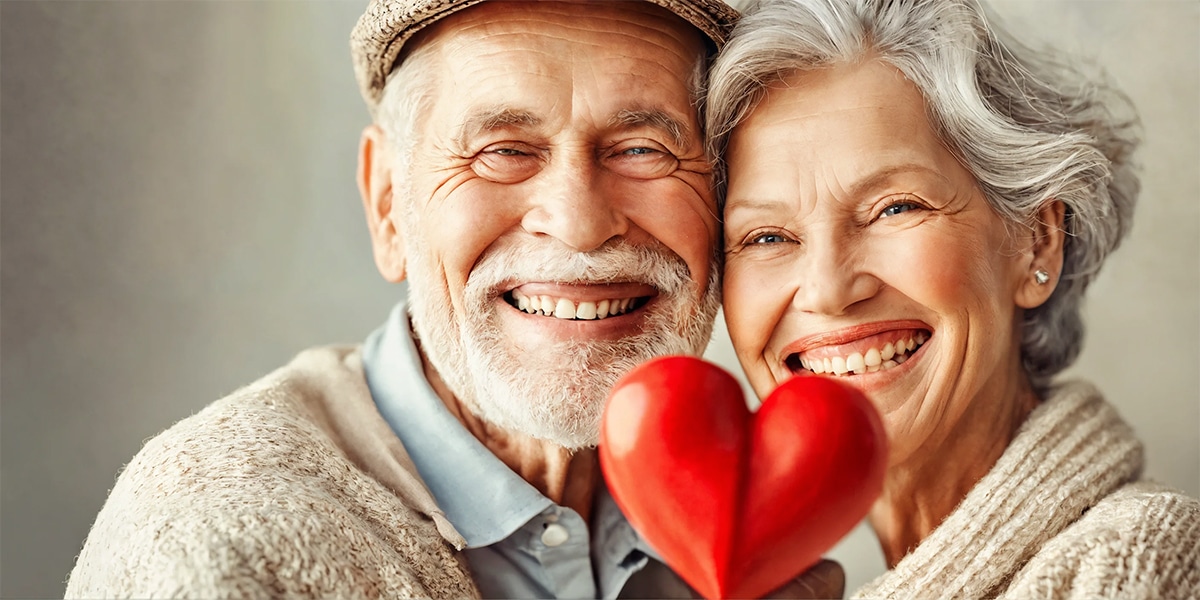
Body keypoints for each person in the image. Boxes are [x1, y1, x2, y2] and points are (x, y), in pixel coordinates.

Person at [64, 1, 842, 598]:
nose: (578, 223)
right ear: (388, 205)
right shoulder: (216, 546)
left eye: (644, 149)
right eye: (504, 152)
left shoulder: (753, 509)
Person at [707, 0, 1200, 597]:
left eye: (895, 207)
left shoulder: (1132, 566)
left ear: (1038, 242)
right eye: (767, 237)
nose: (828, 290)